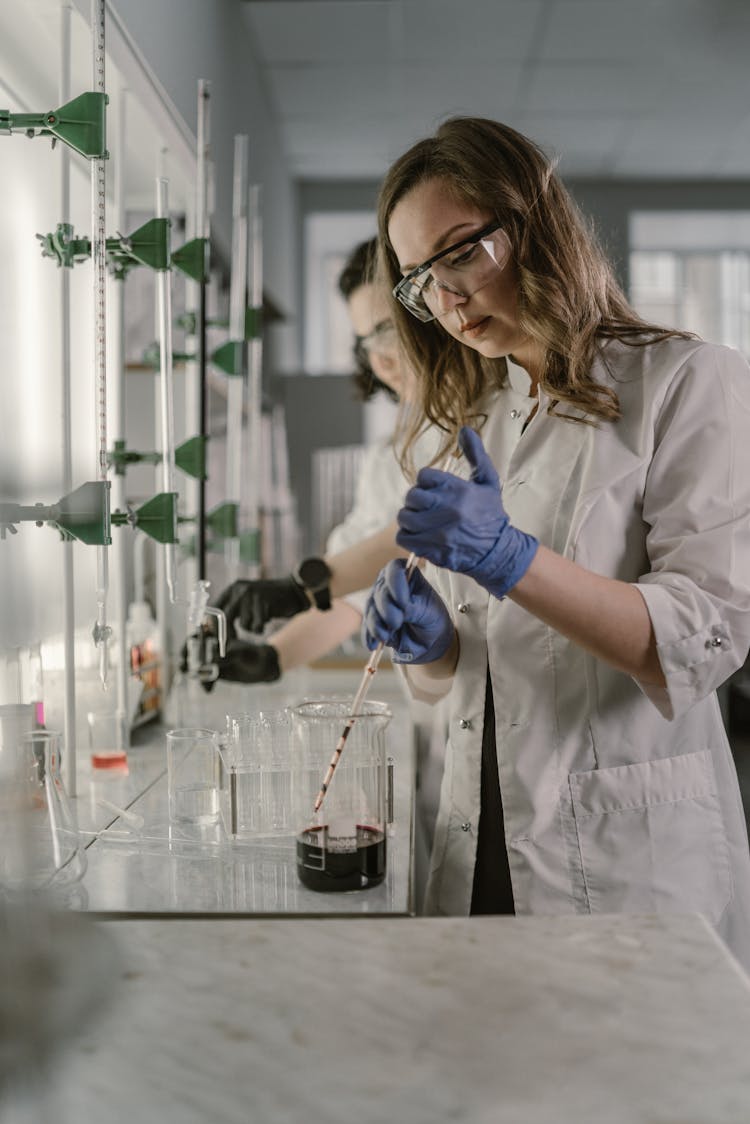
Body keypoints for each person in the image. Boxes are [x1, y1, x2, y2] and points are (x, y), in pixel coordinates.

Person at [362, 115, 750, 970]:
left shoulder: (686, 382)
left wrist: (509, 560)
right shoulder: (479, 419)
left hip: (626, 853)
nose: (447, 299)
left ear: (535, 224)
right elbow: (479, 680)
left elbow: (705, 636)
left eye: (462, 252)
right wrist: (434, 648)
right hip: (477, 843)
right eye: (420, 279)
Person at [208, 237, 437, 683]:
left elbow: (422, 534)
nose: (380, 357)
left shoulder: (494, 421)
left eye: (388, 329)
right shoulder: (388, 459)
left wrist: (299, 589)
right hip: (441, 701)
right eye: (365, 340)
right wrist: (274, 657)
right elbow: (353, 586)